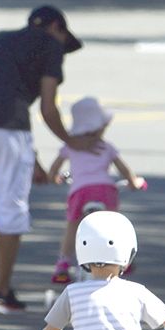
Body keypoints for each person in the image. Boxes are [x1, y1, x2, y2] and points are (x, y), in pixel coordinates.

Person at [0, 5, 84, 315]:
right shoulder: (50, 44)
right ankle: (1, 291)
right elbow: (48, 108)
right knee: (11, 205)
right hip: (10, 125)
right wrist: (72, 142)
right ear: (55, 27)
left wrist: (34, 160)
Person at [48, 97, 145, 287]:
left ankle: (63, 262)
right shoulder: (106, 147)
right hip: (105, 190)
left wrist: (55, 178)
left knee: (72, 226)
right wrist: (134, 182)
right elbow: (124, 170)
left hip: (80, 191)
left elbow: (53, 171)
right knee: (113, 225)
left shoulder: (70, 146)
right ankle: (121, 257)